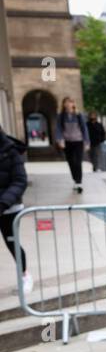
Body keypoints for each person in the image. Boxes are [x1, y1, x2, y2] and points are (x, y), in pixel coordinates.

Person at [0, 124, 31, 296]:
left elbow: (20, 181)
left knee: (11, 242)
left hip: (9, 207)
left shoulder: (11, 151)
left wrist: (3, 203)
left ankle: (25, 275)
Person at [53, 97, 89, 192]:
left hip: (78, 141)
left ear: (73, 104)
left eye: (71, 102)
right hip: (67, 142)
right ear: (64, 104)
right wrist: (60, 140)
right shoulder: (61, 116)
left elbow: (84, 129)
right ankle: (75, 179)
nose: (69, 104)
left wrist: (87, 142)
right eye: (67, 102)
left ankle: (79, 181)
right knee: (71, 162)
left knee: (78, 162)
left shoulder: (78, 115)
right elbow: (58, 129)